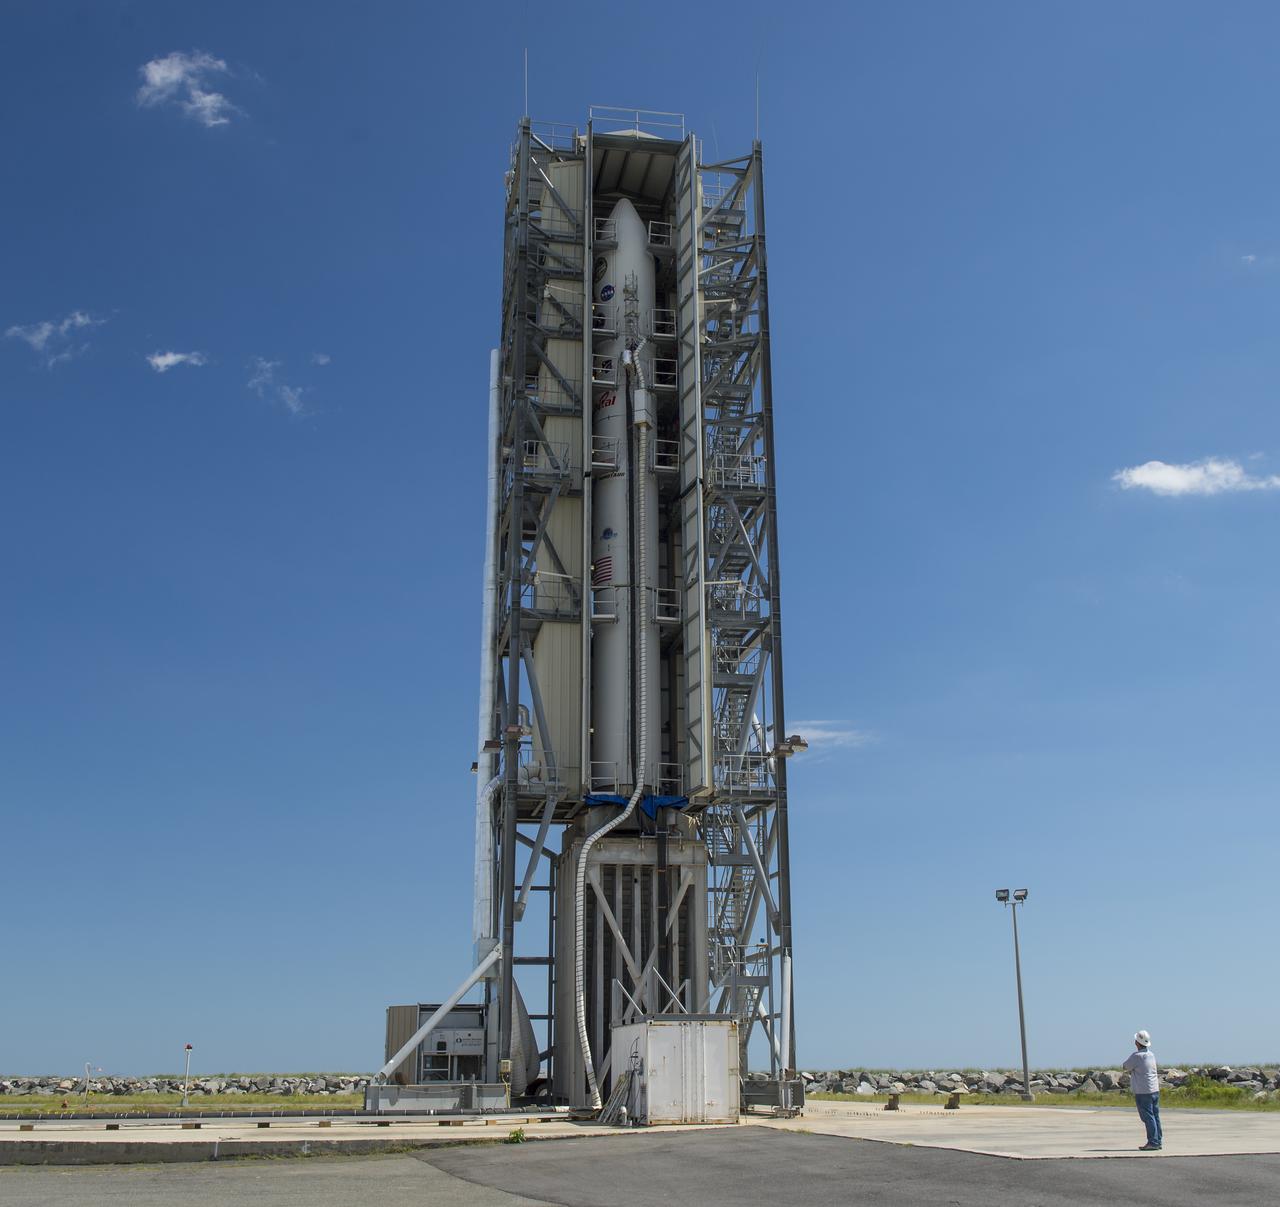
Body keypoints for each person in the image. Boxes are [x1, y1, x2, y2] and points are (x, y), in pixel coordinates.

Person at [1123, 1029, 1162, 1151]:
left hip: (1143, 1090)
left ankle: (1153, 1142)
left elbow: (1125, 1066)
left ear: (1137, 1043)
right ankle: (1158, 1140)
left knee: (1148, 1116)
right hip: (1154, 1089)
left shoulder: (1137, 1056)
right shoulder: (1151, 1055)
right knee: (1155, 1115)